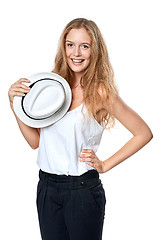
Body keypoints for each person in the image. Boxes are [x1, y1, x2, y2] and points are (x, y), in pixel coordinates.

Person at [8, 18, 153, 240]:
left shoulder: (101, 92)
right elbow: (35, 142)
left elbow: (143, 133)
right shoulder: (51, 85)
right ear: (63, 47)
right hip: (47, 187)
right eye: (70, 44)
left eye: (84, 46)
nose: (76, 52)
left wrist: (104, 165)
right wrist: (15, 104)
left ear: (95, 51)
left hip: (82, 190)